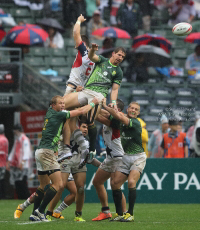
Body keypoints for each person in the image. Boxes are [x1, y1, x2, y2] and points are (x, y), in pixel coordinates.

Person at [31, 95, 99, 222]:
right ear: (53, 105)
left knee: (43, 185)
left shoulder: (50, 112)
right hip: (47, 152)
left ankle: (34, 214)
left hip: (40, 151)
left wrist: (75, 92)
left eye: (64, 103)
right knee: (58, 185)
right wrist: (93, 103)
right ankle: (40, 211)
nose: (63, 105)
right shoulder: (59, 114)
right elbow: (80, 111)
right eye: (60, 103)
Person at [102, 100, 146, 222]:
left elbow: (121, 118)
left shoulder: (136, 123)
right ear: (127, 109)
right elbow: (106, 115)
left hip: (138, 157)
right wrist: (95, 106)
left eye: (136, 109)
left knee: (131, 182)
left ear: (138, 113)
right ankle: (120, 213)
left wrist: (105, 105)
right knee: (114, 183)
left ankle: (130, 214)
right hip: (126, 156)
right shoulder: (120, 119)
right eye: (131, 108)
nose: (133, 110)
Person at [92, 99, 127, 221]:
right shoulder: (111, 116)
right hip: (110, 157)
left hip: (119, 157)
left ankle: (124, 213)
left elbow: (96, 116)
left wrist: (98, 105)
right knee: (97, 181)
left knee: (115, 186)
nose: (110, 107)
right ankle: (106, 211)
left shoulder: (117, 120)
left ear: (119, 111)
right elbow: (102, 112)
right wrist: (95, 104)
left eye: (113, 106)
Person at [7, 124, 32, 200]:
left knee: (22, 183)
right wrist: (9, 161)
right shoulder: (17, 140)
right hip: (17, 165)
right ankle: (21, 198)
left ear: (17, 131)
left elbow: (26, 152)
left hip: (23, 165)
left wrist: (22, 163)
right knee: (17, 182)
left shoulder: (24, 140)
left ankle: (26, 198)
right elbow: (13, 151)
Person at [0, 124, 9, 199]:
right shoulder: (5, 139)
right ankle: (3, 195)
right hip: (3, 163)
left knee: (1, 181)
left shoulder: (1, 139)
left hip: (0, 163)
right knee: (2, 180)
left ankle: (2, 196)